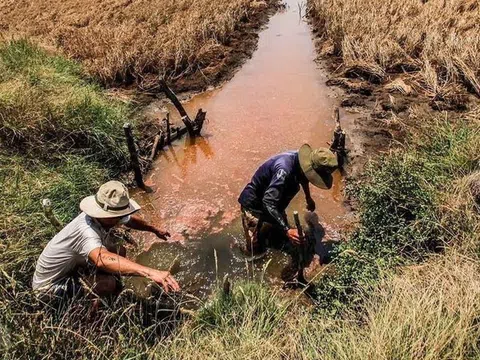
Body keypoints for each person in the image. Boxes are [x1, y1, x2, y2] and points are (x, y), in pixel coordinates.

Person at [32, 180, 180, 299]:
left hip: (71, 270)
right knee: (108, 283)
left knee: (119, 251)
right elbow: (102, 258)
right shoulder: (87, 231)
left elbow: (129, 220)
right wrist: (150, 272)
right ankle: (96, 311)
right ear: (105, 215)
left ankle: (113, 291)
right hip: (49, 288)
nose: (120, 220)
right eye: (117, 217)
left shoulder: (105, 217)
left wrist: (154, 229)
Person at [238, 144, 338, 283]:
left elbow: (303, 177)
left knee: (280, 236)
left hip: (275, 203)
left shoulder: (302, 163)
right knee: (255, 249)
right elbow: (268, 202)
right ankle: (251, 271)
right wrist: (287, 230)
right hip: (255, 205)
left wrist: (308, 197)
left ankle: (273, 235)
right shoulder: (284, 170)